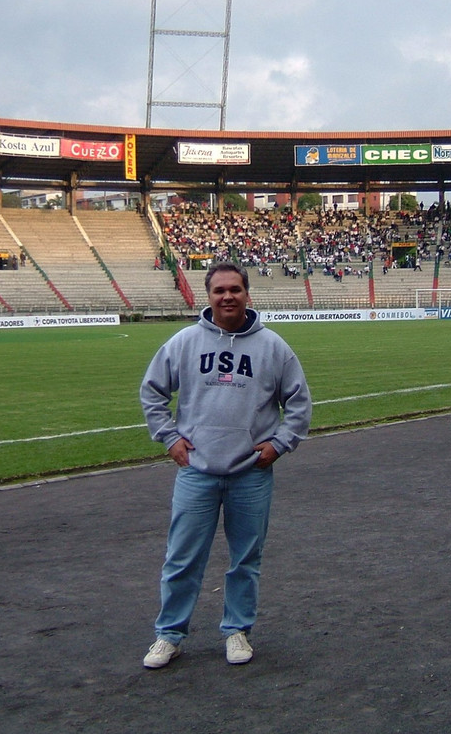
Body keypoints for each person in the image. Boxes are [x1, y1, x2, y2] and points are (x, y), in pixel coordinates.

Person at [139, 262, 312, 669]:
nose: (228, 296)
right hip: (196, 471)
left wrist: (279, 445)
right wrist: (170, 438)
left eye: (235, 289)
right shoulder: (183, 342)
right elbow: (152, 393)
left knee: (245, 559)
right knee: (182, 557)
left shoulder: (273, 347)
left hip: (251, 473)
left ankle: (237, 631)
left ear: (248, 294)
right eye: (219, 291)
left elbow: (299, 404)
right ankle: (169, 635)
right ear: (209, 296)